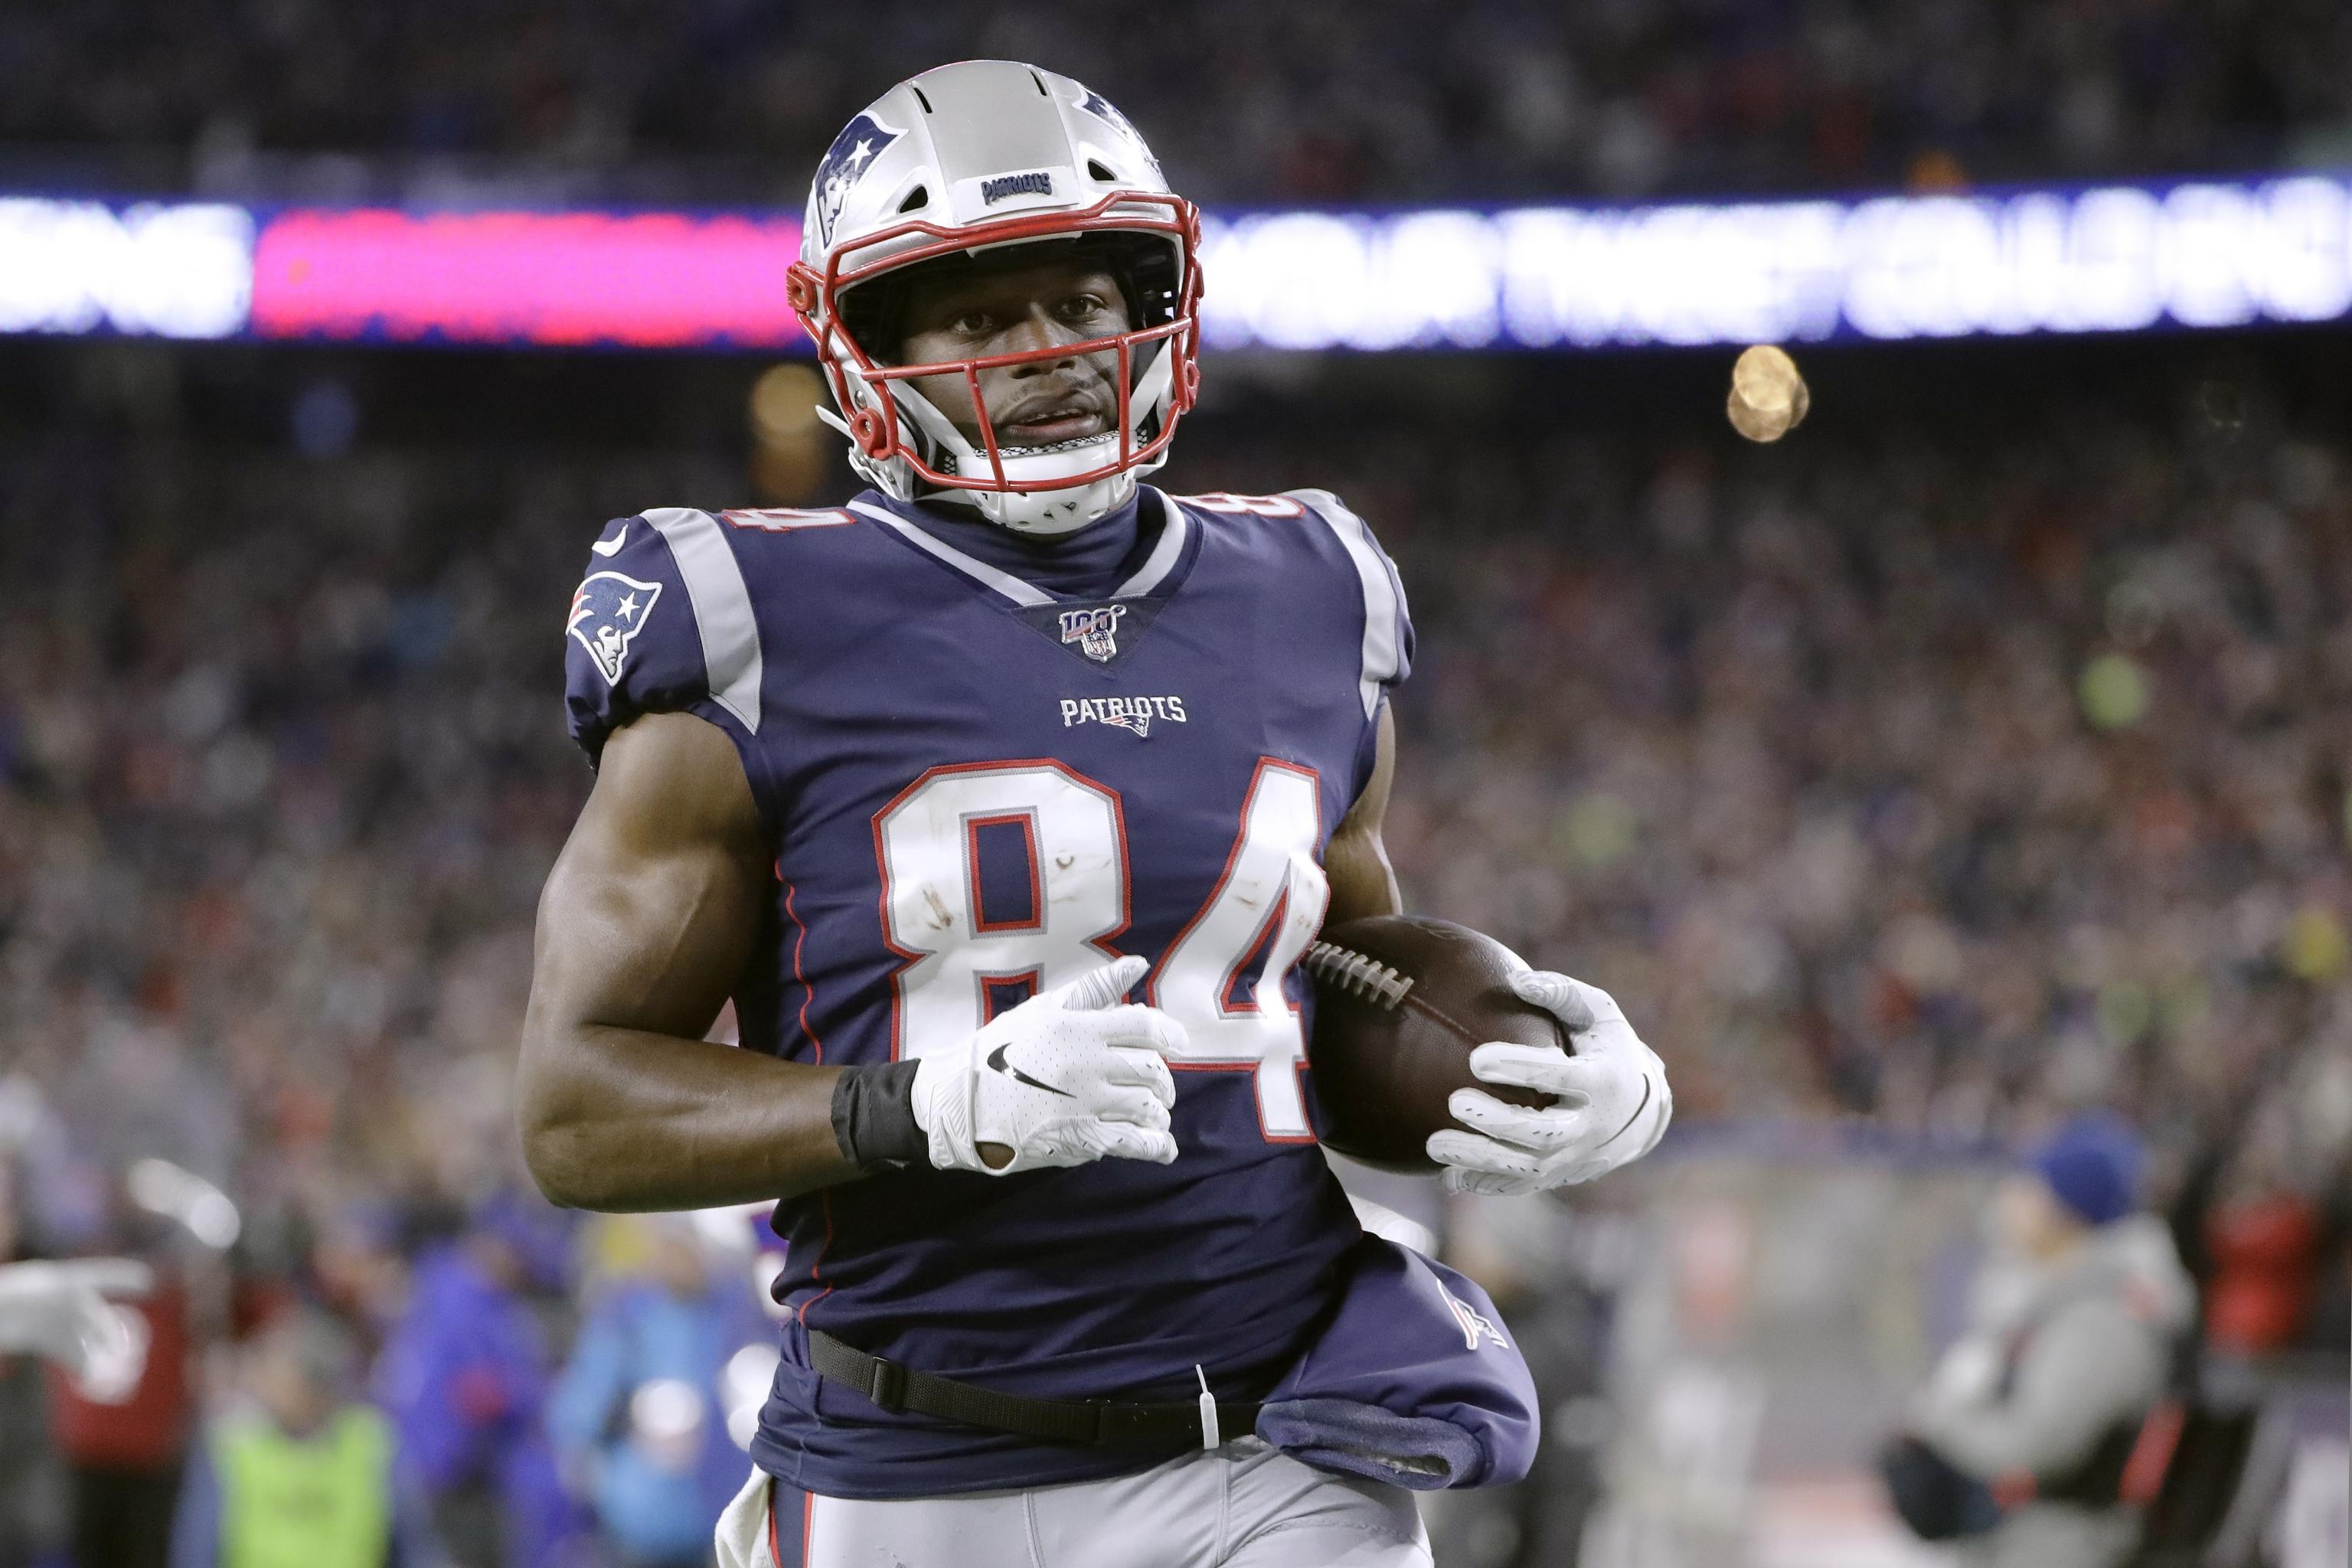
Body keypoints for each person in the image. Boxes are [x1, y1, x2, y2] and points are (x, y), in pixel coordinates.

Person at [517, 60, 1671, 1568]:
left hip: (1272, 1443)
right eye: (982, 316)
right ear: (868, 346)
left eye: (1082, 301)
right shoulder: (748, 620)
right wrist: (928, 1109)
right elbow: (572, 1108)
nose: (1047, 351)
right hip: (908, 1455)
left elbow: (1338, 971)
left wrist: (1553, 1069)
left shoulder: (1312, 589)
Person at [1886, 1112, 2196, 1568]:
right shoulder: (2062, 1295)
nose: (2010, 1200)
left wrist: (1940, 1423)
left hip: (2057, 1543)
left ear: (2067, 1208)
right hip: (2023, 1532)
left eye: (2028, 1186)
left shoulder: (2101, 1319)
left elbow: (2036, 1447)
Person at [549, 1219, 763, 1567]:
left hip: (719, 1516)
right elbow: (577, 1416)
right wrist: (606, 1482)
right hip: (640, 1519)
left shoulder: (736, 1315)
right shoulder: (628, 1318)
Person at [168, 1308, 434, 1568]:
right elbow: (196, 1549)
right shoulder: (231, 1445)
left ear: (314, 1384)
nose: (261, 1382)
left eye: (277, 1371)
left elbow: (414, 1544)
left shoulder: (373, 1441)